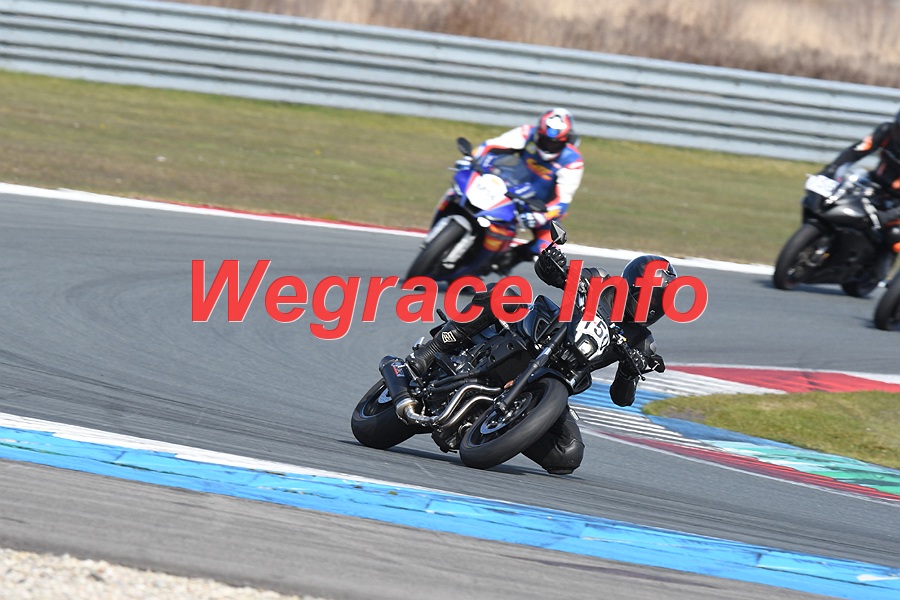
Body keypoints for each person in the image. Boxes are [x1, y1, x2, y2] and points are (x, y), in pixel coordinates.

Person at [404, 246, 673, 475]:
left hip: (560, 378)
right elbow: (552, 273)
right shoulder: (601, 283)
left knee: (567, 454)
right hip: (538, 338)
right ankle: (430, 350)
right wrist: (553, 263)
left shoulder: (642, 341)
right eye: (652, 296)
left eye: (661, 301)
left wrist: (629, 372)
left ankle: (501, 430)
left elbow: (622, 398)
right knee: (503, 295)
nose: (654, 305)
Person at [467, 108, 585, 272]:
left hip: (538, 208)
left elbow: (562, 201)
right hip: (509, 189)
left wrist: (541, 216)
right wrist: (471, 158)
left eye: (555, 142)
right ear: (538, 134)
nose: (549, 146)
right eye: (545, 140)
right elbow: (491, 145)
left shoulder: (573, 161)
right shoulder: (526, 133)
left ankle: (509, 258)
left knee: (549, 250)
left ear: (566, 140)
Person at [819, 109, 900, 228]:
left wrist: (888, 216)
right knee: (834, 202)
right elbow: (856, 151)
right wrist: (832, 169)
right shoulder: (886, 131)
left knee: (893, 232)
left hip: (897, 199)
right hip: (876, 182)